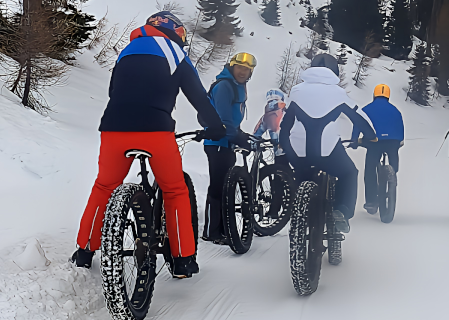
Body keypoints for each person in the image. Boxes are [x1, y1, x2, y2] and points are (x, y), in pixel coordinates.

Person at [71, 11, 226, 279]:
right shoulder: (175, 54)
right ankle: (182, 261)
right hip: (155, 130)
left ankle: (84, 252)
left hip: (113, 129)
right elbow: (199, 98)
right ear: (176, 31)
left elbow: (113, 92)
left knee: (104, 186)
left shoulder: (126, 51)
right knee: (174, 190)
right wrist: (215, 127)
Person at [279, 53, 378, 233]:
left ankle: (298, 214)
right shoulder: (337, 93)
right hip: (328, 154)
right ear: (335, 72)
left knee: (301, 175)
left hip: (298, 153)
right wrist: (371, 135)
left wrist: (284, 145)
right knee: (349, 173)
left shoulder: (296, 90)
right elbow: (358, 117)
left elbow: (286, 123)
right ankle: (342, 211)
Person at [202, 52, 257, 245]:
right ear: (231, 67)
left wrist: (240, 135)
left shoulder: (237, 86)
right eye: (240, 67)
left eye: (247, 69)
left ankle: (224, 229)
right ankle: (212, 231)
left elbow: (232, 120)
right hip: (217, 143)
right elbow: (224, 120)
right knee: (217, 187)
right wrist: (239, 137)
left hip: (226, 142)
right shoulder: (225, 86)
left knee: (226, 186)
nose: (243, 72)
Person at [349, 84, 404, 214]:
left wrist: (354, 140)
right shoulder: (395, 110)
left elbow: (358, 124)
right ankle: (392, 179)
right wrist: (399, 142)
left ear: (374, 95)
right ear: (388, 96)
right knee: (393, 164)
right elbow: (401, 128)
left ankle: (371, 202)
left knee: (370, 169)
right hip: (393, 143)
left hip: (373, 142)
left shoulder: (366, 109)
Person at [253, 89, 289, 166]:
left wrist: (254, 144)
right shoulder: (288, 112)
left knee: (278, 172)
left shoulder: (266, 116)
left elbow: (256, 134)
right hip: (293, 152)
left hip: (278, 153)